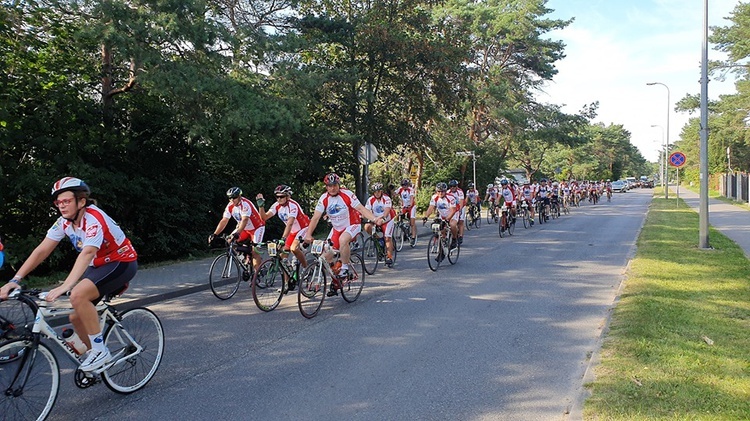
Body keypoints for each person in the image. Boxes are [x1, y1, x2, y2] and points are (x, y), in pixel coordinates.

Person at [0, 177, 138, 372]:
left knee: (78, 294)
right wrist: (15, 280)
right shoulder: (63, 223)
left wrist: (66, 286)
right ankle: (97, 359)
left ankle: (100, 350)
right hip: (98, 265)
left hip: (121, 262)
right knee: (75, 318)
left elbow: (87, 252)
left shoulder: (93, 218)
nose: (61, 206)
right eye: (58, 203)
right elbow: (42, 251)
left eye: (66, 201)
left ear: (81, 201)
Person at [304, 173, 384, 296]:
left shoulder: (347, 194)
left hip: (352, 225)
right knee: (325, 255)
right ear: (326, 187)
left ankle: (345, 268)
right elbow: (315, 218)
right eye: (329, 186)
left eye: (335, 185)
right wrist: (308, 234)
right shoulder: (324, 198)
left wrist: (374, 219)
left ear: (339, 185)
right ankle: (336, 279)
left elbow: (362, 209)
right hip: (336, 228)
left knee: (343, 240)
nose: (332, 188)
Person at [257, 184, 310, 281]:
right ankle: (286, 283)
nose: (279, 199)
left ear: (288, 196)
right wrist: (261, 206)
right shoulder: (277, 205)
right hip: (292, 231)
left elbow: (289, 224)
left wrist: (283, 239)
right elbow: (264, 217)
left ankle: (306, 268)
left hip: (303, 228)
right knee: (282, 256)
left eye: (281, 196)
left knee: (293, 248)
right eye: (277, 196)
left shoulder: (293, 205)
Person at [208, 187, 265, 271]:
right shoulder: (230, 206)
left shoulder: (245, 204)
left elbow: (245, 220)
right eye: (230, 198)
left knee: (255, 251)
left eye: (234, 197)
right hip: (244, 229)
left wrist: (237, 232)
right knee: (229, 241)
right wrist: (215, 234)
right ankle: (246, 256)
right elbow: (224, 220)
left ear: (239, 197)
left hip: (257, 228)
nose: (232, 200)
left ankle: (257, 273)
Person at [364, 183, 397, 267]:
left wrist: (383, 219)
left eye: (378, 191)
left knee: (387, 238)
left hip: (387, 219)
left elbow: (386, 211)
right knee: (367, 226)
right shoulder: (370, 200)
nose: (377, 193)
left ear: (381, 191)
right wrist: (363, 216)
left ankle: (389, 257)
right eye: (375, 192)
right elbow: (367, 211)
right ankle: (379, 240)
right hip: (376, 219)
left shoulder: (386, 198)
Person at [423, 182, 459, 250]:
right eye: (438, 191)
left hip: (453, 214)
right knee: (441, 229)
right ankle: (444, 242)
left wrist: (447, 219)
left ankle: (454, 238)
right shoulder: (434, 197)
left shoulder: (451, 197)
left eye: (442, 191)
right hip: (442, 214)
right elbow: (431, 208)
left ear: (445, 191)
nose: (440, 193)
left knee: (452, 225)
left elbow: (453, 210)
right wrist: (426, 216)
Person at [394, 179, 417, 245]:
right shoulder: (400, 189)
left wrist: (410, 204)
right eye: (403, 185)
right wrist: (392, 190)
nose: (404, 186)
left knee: (412, 222)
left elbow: (412, 198)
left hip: (411, 207)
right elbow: (395, 194)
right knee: (399, 216)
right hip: (404, 206)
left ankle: (413, 237)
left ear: (408, 185)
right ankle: (403, 230)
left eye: (405, 185)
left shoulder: (410, 189)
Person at [448, 180, 465, 244]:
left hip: (461, 206)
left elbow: (461, 201)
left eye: (454, 186)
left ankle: (460, 236)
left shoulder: (460, 192)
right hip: (453, 207)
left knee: (460, 221)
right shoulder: (448, 192)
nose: (452, 187)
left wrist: (460, 210)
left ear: (457, 186)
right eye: (451, 186)